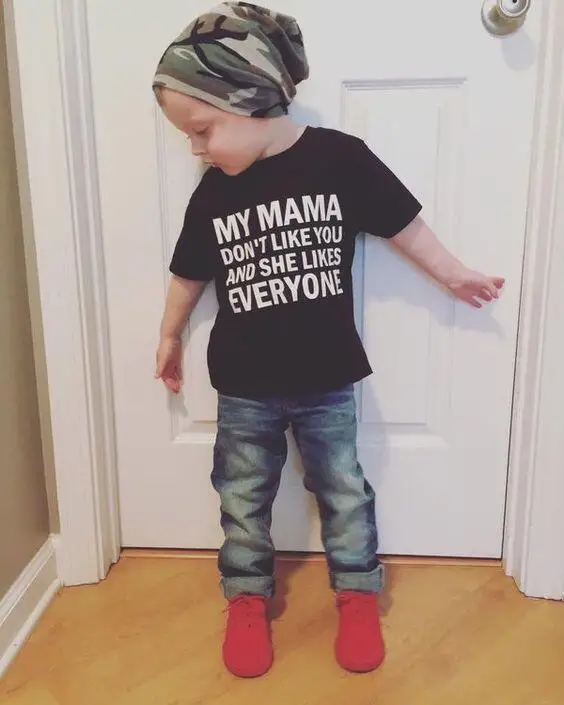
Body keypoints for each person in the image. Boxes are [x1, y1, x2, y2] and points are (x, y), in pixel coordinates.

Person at [153, 2, 504, 679]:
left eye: (201, 131)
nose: (196, 149)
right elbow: (188, 273)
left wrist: (453, 273)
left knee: (343, 490)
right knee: (242, 496)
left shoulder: (340, 160)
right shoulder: (214, 193)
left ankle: (358, 594)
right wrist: (169, 335)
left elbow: (403, 224)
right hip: (244, 386)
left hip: (327, 378)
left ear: (249, 97)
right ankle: (246, 599)